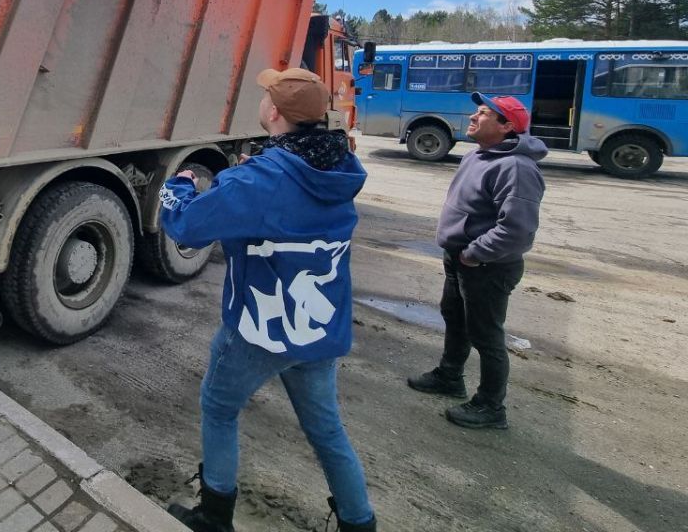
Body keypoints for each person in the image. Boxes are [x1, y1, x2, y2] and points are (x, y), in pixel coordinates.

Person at [159, 68, 376, 532]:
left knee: (219, 408)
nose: (260, 101)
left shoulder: (260, 180)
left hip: (261, 329)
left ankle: (215, 516)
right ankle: (359, 523)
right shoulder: (340, 165)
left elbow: (189, 227)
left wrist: (176, 187)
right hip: (318, 330)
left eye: (265, 96)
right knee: (326, 431)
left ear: (274, 112)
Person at [407, 92, 547, 430]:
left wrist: (475, 253)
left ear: (507, 126)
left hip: (487, 265)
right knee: (455, 317)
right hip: (460, 259)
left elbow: (516, 230)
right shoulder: (477, 156)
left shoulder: (516, 167)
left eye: (483, 113)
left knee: (486, 335)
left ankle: (490, 407)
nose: (473, 116)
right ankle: (450, 376)